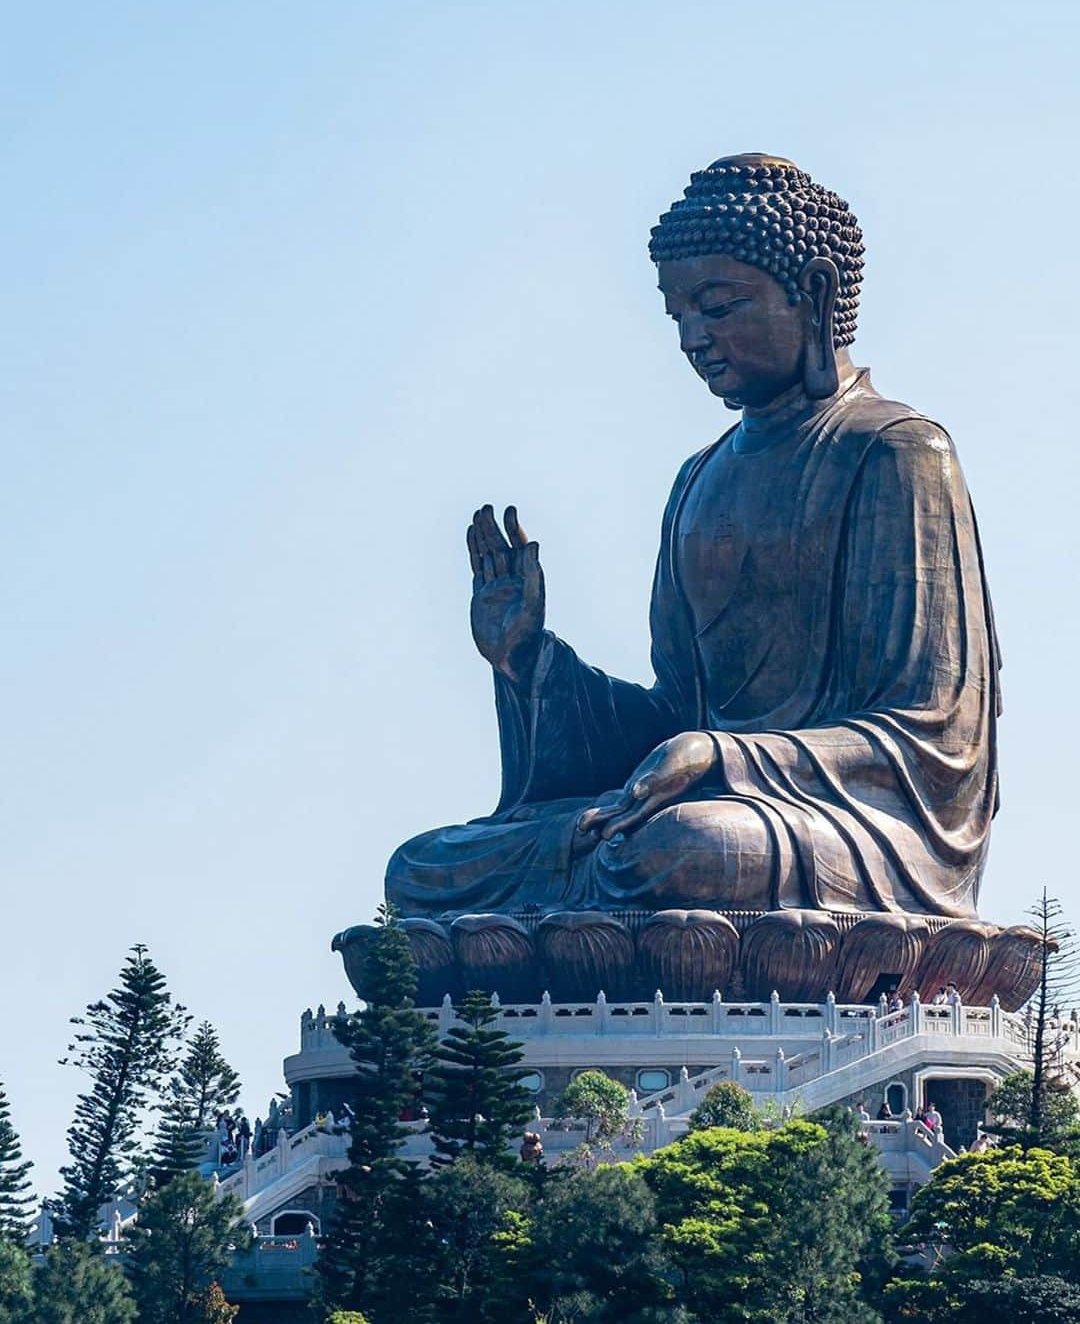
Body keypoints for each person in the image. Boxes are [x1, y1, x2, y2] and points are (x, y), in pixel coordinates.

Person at [385, 154, 1000, 926]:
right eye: (677, 317)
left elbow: (931, 740)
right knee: (423, 870)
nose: (694, 340)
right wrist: (530, 660)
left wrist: (724, 757)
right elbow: (675, 715)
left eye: (719, 307)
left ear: (811, 290)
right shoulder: (698, 480)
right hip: (704, 809)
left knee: (684, 851)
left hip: (854, 831)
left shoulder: (895, 452)